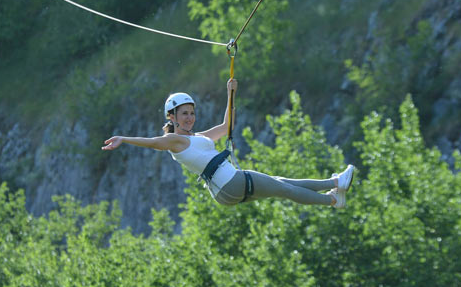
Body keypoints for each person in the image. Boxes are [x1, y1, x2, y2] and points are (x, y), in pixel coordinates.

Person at [102, 78, 355, 208]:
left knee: (282, 184)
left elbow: (226, 127)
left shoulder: (197, 138)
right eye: (184, 114)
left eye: (192, 113)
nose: (190, 118)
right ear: (172, 117)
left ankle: (334, 184)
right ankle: (332, 200)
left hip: (227, 188)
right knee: (283, 189)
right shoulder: (175, 140)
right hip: (229, 183)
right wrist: (124, 139)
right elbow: (156, 142)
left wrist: (230, 94)